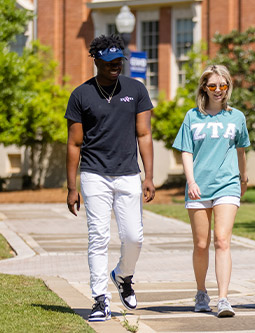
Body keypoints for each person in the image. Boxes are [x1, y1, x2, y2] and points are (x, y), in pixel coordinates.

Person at [65, 34, 155, 322]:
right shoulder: (81, 95)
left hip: (129, 173)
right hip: (94, 174)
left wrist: (149, 176)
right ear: (96, 61)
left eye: (119, 61)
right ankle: (99, 299)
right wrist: (71, 187)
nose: (116, 66)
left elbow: (144, 134)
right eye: (109, 62)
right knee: (99, 237)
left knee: (134, 237)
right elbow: (74, 144)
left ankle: (123, 275)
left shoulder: (136, 90)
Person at [172, 65, 249, 318]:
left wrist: (243, 177)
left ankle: (224, 298)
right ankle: (201, 291)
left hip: (227, 184)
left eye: (223, 86)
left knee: (222, 241)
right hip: (199, 186)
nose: (218, 91)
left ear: (228, 87)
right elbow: (186, 150)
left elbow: (240, 150)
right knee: (201, 244)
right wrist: (191, 181)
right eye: (213, 86)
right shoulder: (192, 116)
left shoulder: (236, 117)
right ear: (204, 87)